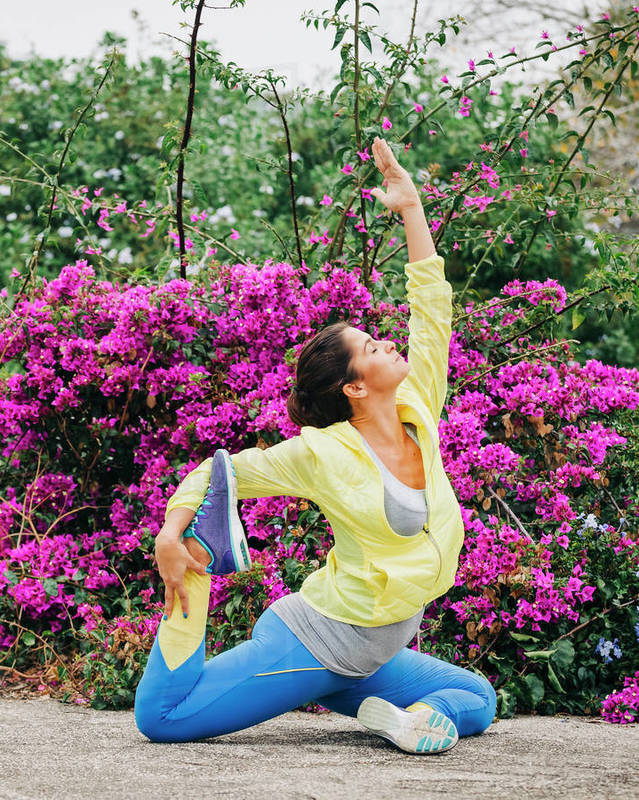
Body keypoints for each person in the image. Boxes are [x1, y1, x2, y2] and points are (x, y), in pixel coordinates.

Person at [133, 136, 496, 754]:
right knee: (164, 719)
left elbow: (431, 308)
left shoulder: (417, 412)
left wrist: (412, 210)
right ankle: (198, 578)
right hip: (318, 641)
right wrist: (172, 534)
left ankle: (408, 720)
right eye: (370, 347)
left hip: (375, 651)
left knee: (477, 698)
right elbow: (220, 472)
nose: (386, 342)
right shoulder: (323, 452)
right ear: (354, 386)